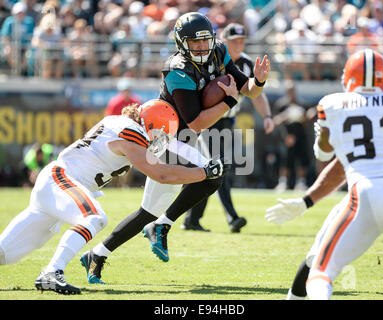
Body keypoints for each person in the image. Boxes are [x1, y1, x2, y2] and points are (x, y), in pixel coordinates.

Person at [80, 12, 270, 284]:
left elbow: (249, 89)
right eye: (195, 42)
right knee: (213, 173)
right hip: (166, 136)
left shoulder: (219, 51)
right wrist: (229, 102)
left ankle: (97, 254)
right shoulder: (177, 68)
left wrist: (259, 81)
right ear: (182, 43)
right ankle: (162, 226)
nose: (202, 47)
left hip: (183, 139)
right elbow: (195, 122)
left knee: (147, 211)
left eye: (206, 40)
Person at [0, 100, 227, 295]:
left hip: (56, 185)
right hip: (61, 179)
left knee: (5, 254)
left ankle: (51, 271)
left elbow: (162, 166)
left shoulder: (119, 123)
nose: (160, 140)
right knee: (94, 217)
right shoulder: (131, 131)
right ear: (150, 124)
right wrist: (204, 173)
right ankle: (52, 272)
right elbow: (162, 174)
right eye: (161, 133)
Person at [267, 49, 383, 300]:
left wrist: (325, 134)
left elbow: (324, 154)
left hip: (365, 195)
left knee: (321, 271)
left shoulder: (333, 104)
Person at [181, 23, 275, 232]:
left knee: (209, 170)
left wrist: (267, 115)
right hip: (208, 120)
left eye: (242, 41)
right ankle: (232, 217)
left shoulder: (246, 63)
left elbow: (256, 93)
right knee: (218, 167)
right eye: (234, 41)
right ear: (224, 41)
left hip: (228, 120)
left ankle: (192, 218)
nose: (239, 44)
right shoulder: (210, 58)